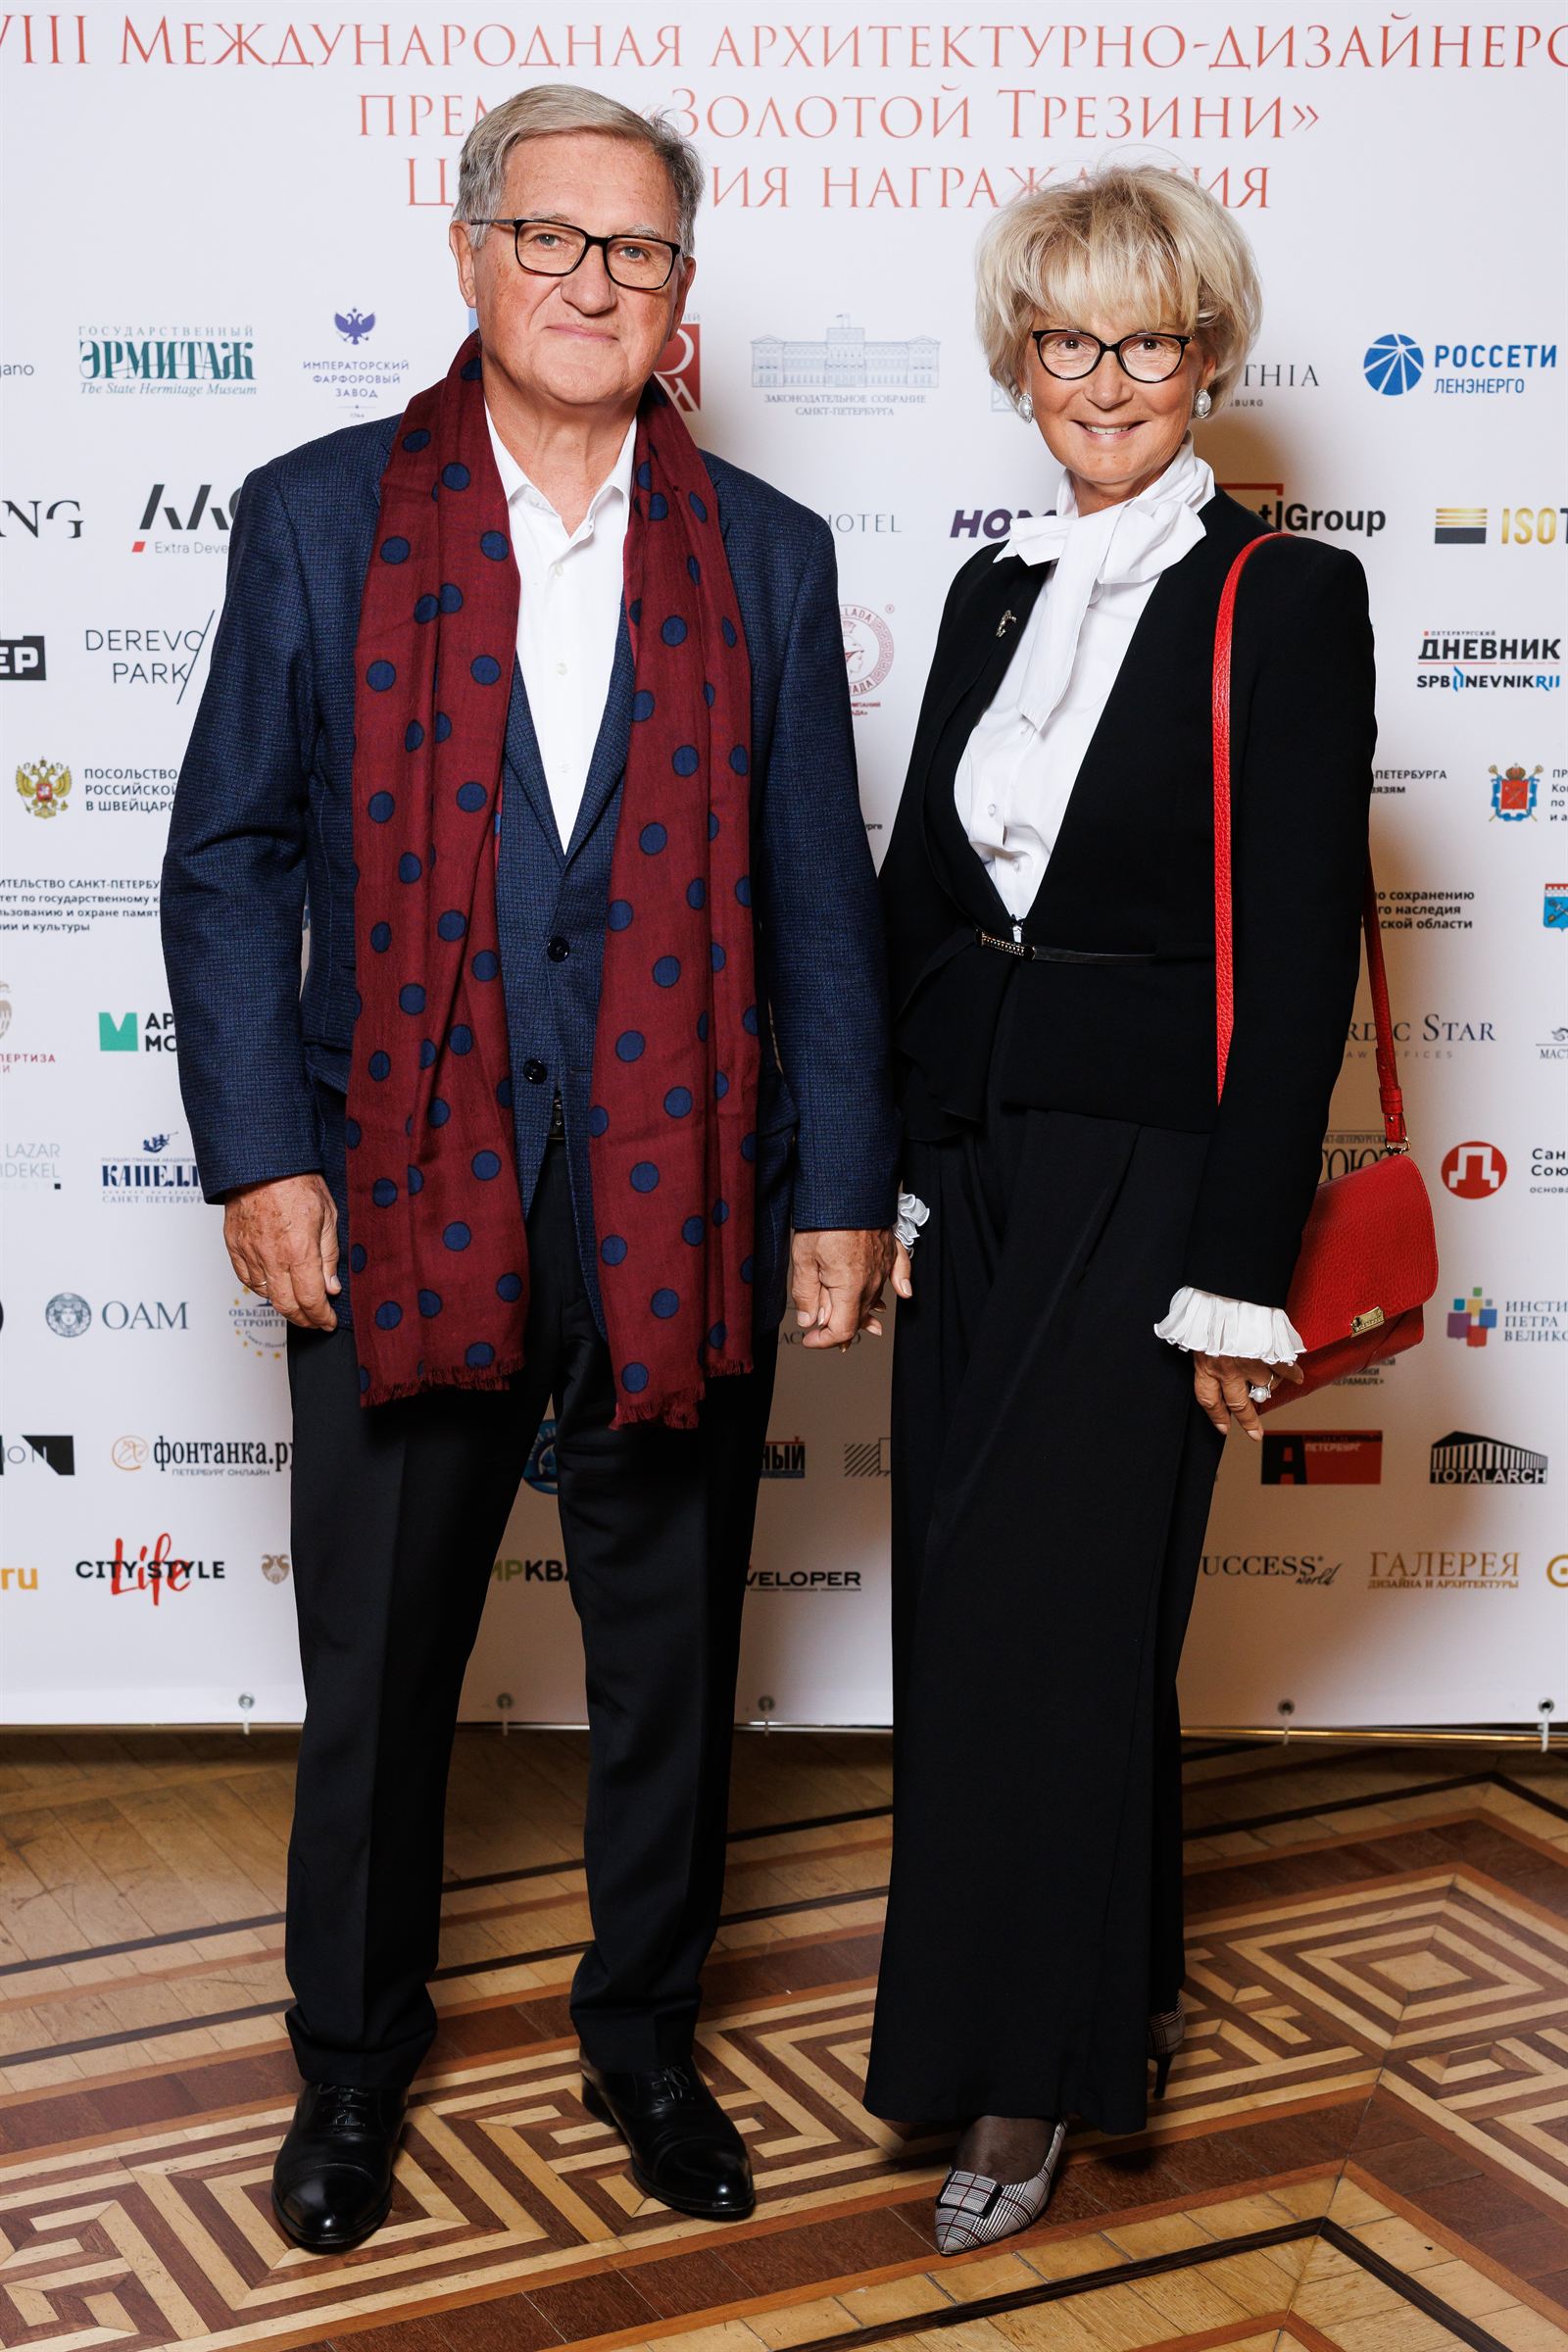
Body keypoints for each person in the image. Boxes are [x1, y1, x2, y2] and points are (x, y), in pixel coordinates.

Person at [162, 83, 897, 2255]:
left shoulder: (766, 552)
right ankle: (348, 2068)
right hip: (398, 1187)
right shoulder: (317, 519)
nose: (593, 281)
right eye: (553, 239)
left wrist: (840, 1190)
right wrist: (264, 1154)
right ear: (472, 252)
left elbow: (818, 904)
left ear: (683, 290)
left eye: (636, 250)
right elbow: (229, 860)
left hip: (683, 1196)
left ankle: (646, 2041)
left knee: (670, 1662)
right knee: (381, 1672)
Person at [864, 165, 1375, 2252]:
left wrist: (1235, 1279)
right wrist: (889, 1168)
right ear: (1018, 359)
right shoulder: (988, 595)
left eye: (1143, 340)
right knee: (981, 1613)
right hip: (974, 1165)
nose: (1100, 379)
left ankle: (1021, 2078)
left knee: (1050, 1627)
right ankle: (1109, 1992)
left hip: (1146, 1178)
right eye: (1064, 339)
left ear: (1206, 357)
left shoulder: (1282, 600)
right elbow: (918, 902)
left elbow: (1298, 961)